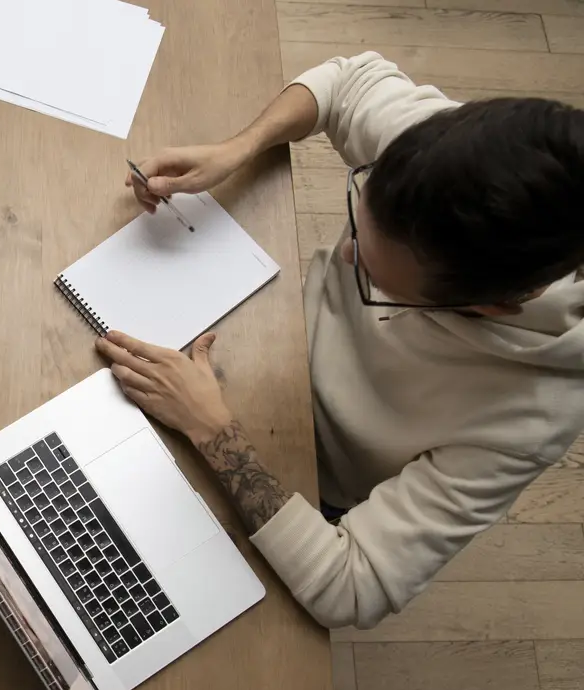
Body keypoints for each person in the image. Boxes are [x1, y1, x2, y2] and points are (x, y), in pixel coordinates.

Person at [97, 51, 584, 630]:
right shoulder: (456, 166)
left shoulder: (531, 416)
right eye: (359, 213)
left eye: (374, 278)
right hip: (267, 337)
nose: (345, 254)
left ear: (489, 307)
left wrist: (213, 431)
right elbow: (347, 82)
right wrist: (239, 149)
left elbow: (350, 587)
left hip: (304, 467)